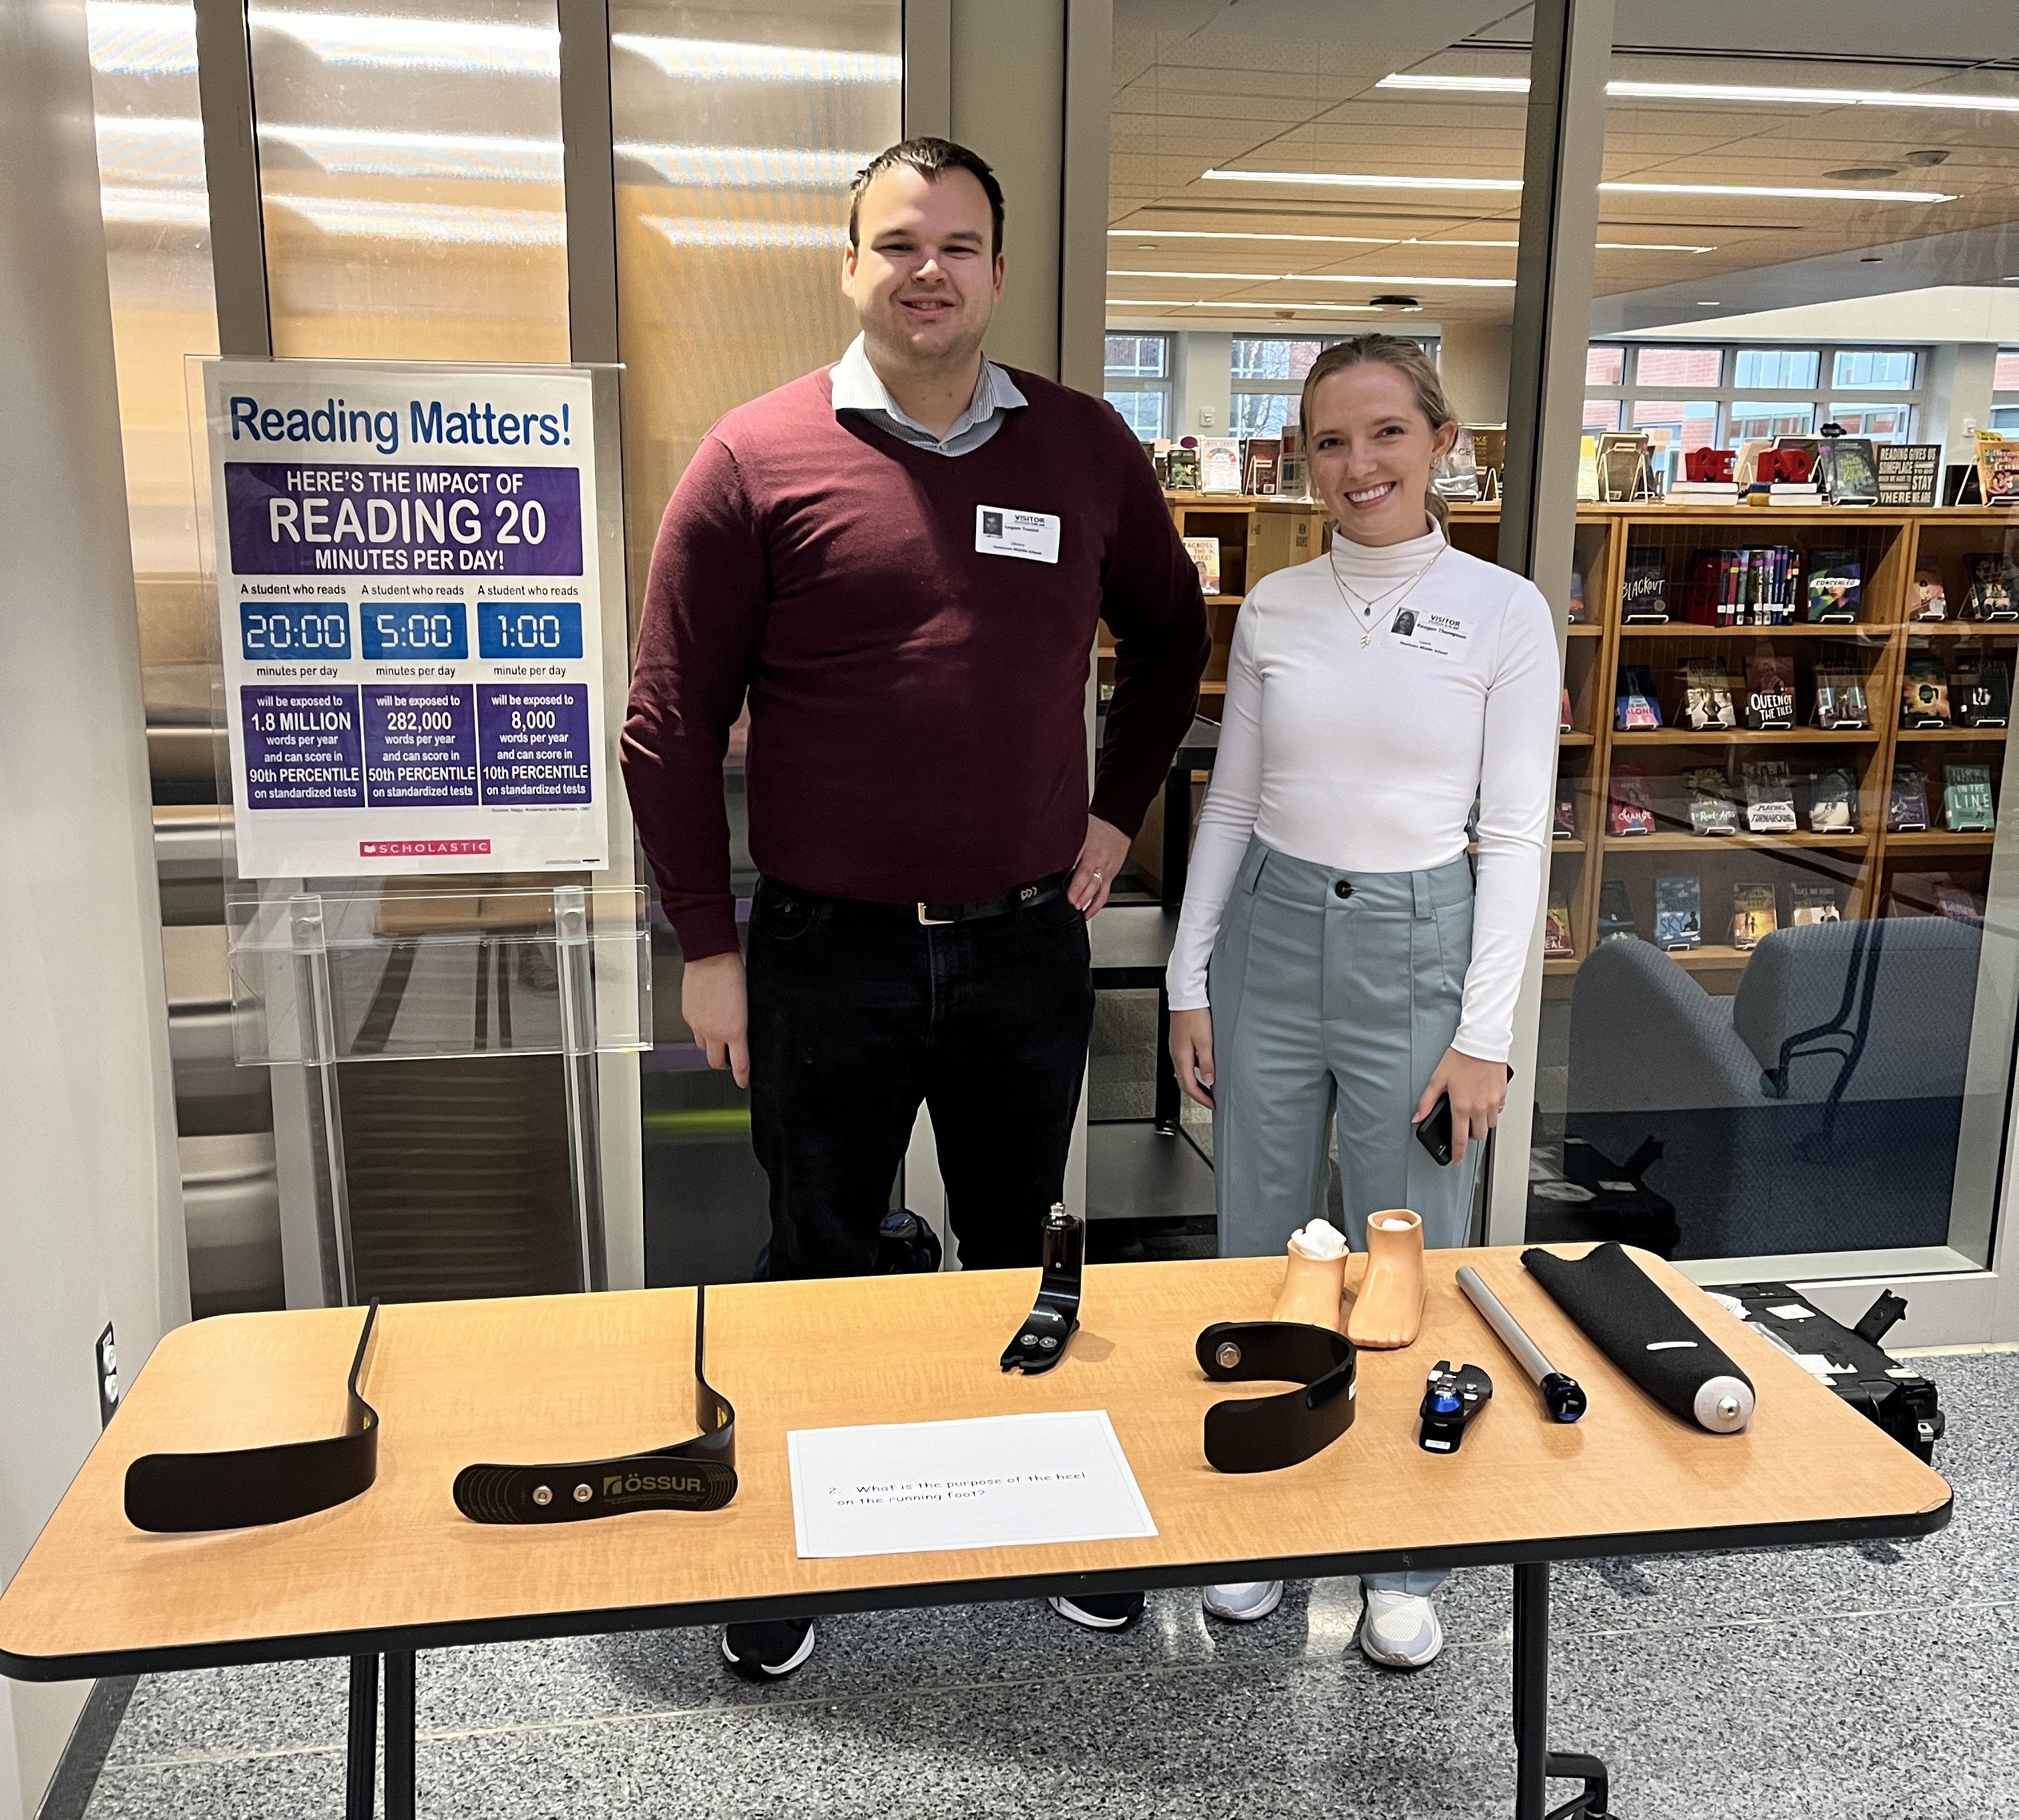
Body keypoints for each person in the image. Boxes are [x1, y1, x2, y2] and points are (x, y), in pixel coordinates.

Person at [622, 138, 1210, 1680]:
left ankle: (1047, 1515)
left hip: (1024, 944)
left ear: (1000, 273)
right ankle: (791, 1548)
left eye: (957, 244)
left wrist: (1111, 810)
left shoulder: (1083, 450)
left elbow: (1171, 636)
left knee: (1026, 1250)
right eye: (897, 243)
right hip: (827, 954)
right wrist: (707, 945)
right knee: (817, 1252)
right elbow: (668, 722)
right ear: (850, 267)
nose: (927, 269)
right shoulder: (755, 458)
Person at [1164, 334, 1558, 1666]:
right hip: (1270, 941)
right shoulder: (1276, 605)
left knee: (1406, 1258)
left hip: (1418, 948)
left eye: (1386, 433)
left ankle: (1405, 1550)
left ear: (1443, 443)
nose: (1358, 464)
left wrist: (1485, 1038)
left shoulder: (1506, 612)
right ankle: (1263, 1518)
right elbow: (1229, 797)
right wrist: (1186, 979)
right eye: (1330, 441)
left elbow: (1514, 838)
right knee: (1268, 1248)